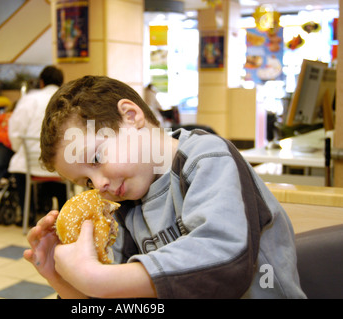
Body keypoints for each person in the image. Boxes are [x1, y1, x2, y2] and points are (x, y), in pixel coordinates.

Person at [23, 75, 306, 299]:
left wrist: (98, 278)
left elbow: (226, 258)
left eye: (96, 158)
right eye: (85, 182)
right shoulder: (124, 207)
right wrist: (60, 279)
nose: (99, 185)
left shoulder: (206, 156)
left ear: (131, 117)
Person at [8, 65, 67, 226]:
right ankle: (65, 217)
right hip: (62, 165)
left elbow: (16, 130)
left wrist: (19, 147)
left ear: (41, 82)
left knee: (18, 166)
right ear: (61, 83)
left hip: (31, 161)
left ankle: (28, 214)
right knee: (61, 174)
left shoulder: (30, 99)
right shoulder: (68, 99)